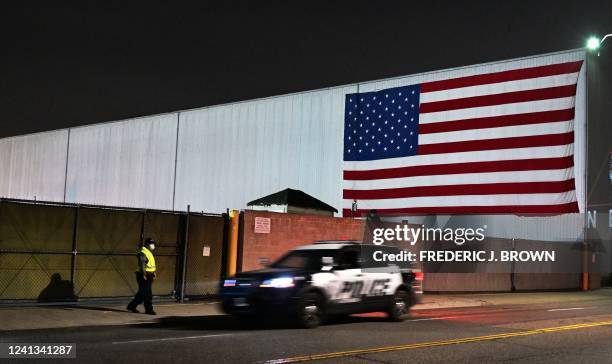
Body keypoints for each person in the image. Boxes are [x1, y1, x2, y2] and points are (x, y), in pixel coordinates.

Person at [127, 238, 157, 315]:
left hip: (148, 275)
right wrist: (144, 274)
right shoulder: (143, 253)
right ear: (146, 244)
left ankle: (131, 306)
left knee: (142, 293)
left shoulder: (148, 252)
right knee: (147, 293)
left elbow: (150, 265)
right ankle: (149, 309)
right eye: (151, 244)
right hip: (143, 275)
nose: (152, 245)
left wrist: (153, 273)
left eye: (153, 244)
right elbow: (142, 265)